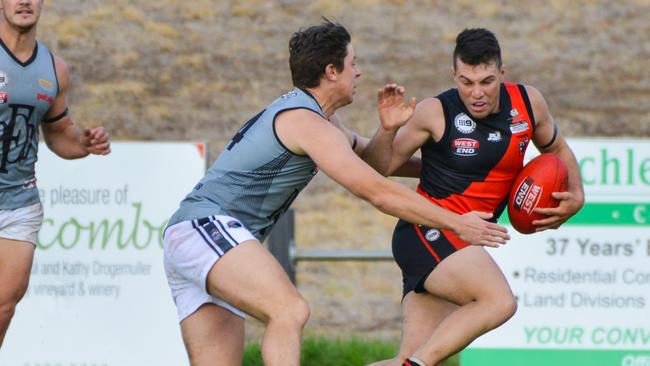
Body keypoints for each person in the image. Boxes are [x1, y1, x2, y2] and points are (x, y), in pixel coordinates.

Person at [163, 20, 510, 366]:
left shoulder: (322, 121)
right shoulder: (307, 123)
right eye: (353, 63)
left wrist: (414, 145)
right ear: (331, 71)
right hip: (206, 228)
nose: (358, 72)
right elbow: (376, 192)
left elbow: (375, 159)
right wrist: (456, 223)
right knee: (289, 310)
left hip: (199, 239)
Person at [364, 28, 585, 366]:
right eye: (467, 82)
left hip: (466, 242)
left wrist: (577, 194)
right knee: (499, 302)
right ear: (454, 76)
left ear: (502, 74)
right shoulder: (435, 111)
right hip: (427, 232)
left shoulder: (528, 103)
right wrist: (387, 128)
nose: (477, 93)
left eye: (487, 81)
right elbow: (382, 165)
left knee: (408, 358)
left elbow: (556, 148)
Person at [0, 0, 111, 348]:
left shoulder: (53, 69)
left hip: (19, 201)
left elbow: (59, 135)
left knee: (4, 305)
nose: (24, 2)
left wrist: (85, 143)